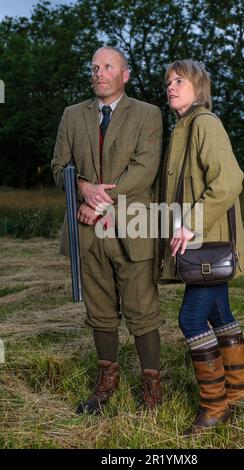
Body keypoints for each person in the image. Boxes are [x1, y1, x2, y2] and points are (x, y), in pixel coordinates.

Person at [51, 46, 164, 414]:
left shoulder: (148, 114)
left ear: (125, 74)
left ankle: (151, 386)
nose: (99, 73)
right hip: (87, 233)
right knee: (99, 311)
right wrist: (82, 188)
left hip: (132, 226)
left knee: (141, 309)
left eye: (108, 66)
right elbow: (59, 167)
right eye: (95, 67)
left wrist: (97, 202)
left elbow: (144, 169)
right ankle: (106, 383)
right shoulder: (71, 116)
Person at [156, 59, 244, 434]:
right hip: (203, 245)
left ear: (199, 87)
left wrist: (190, 225)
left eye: (179, 80)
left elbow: (229, 180)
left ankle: (215, 407)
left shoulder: (205, 124)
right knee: (219, 315)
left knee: (191, 320)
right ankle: (239, 391)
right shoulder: (182, 128)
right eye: (168, 82)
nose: (171, 86)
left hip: (207, 242)